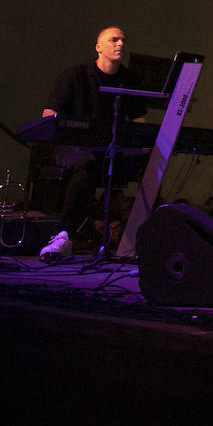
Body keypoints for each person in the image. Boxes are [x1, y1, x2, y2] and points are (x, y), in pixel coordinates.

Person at [40, 25, 148, 258]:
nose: (120, 44)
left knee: (151, 164)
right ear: (98, 47)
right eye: (114, 40)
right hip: (75, 148)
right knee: (86, 165)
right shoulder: (74, 76)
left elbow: (139, 119)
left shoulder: (129, 80)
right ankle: (64, 235)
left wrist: (140, 145)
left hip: (111, 149)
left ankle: (145, 237)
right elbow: (49, 117)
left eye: (123, 41)